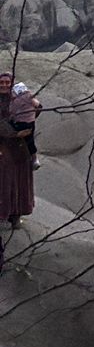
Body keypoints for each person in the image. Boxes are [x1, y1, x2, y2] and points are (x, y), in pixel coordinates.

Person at [0, 70, 37, 229]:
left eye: (7, 82)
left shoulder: (19, 98)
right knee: (4, 179)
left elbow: (33, 113)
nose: (4, 85)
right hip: (3, 146)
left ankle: (16, 216)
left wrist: (34, 104)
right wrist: (13, 133)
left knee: (20, 180)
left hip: (20, 148)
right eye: (1, 83)